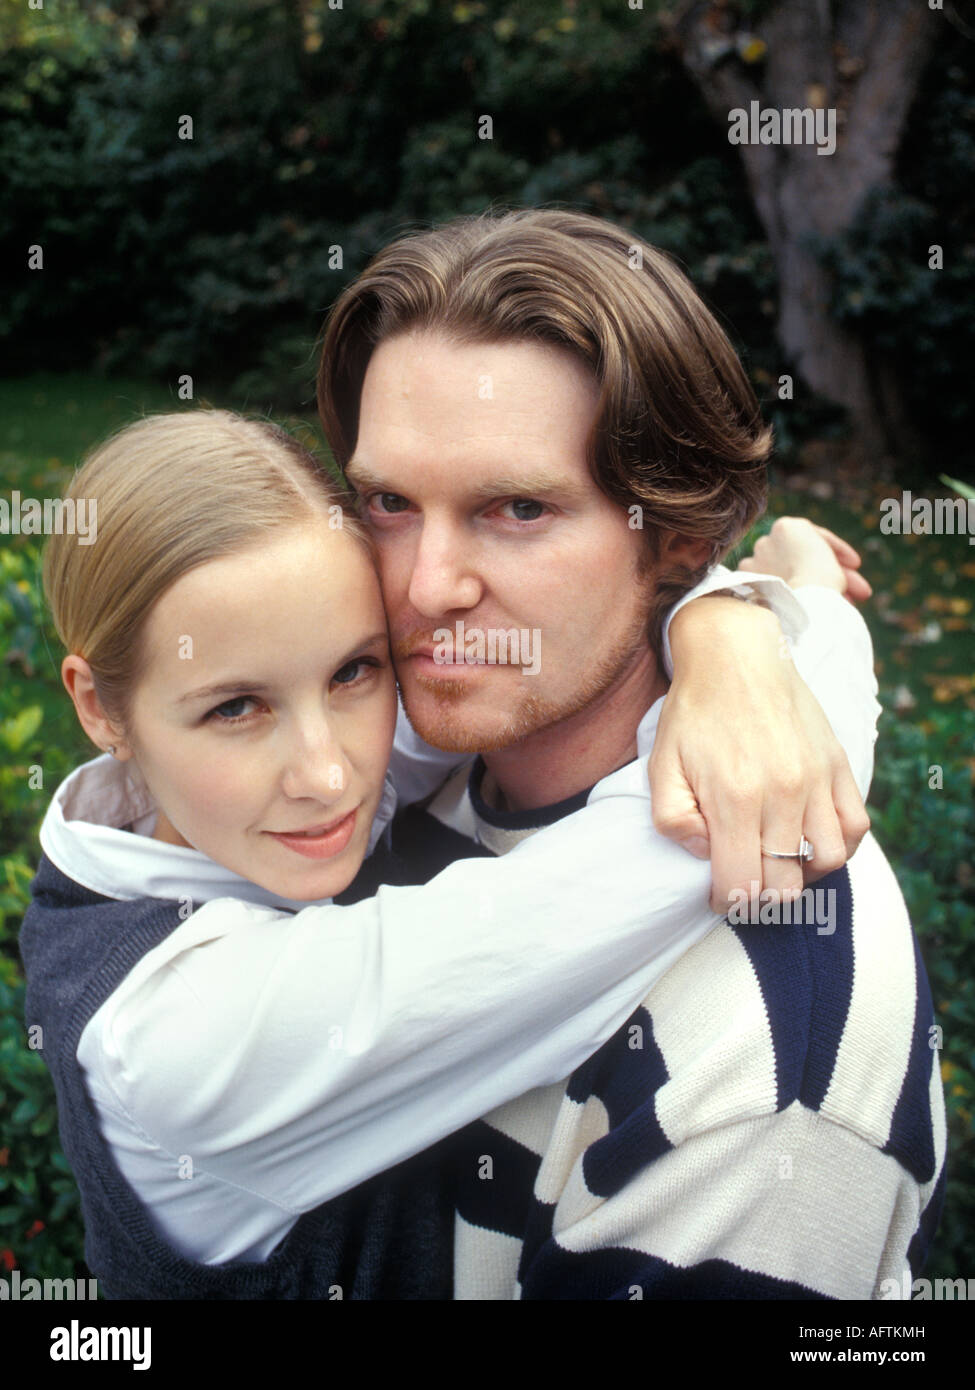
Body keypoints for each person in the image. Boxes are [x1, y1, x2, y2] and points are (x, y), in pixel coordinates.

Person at [22, 407, 866, 1299]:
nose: (328, 773)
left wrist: (718, 624)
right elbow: (747, 806)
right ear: (98, 707)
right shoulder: (184, 1036)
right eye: (236, 708)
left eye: (355, 670)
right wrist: (804, 608)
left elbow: (550, 654)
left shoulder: (203, 811)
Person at [315, 207, 946, 1298]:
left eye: (517, 507)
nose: (425, 587)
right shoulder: (379, 777)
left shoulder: (761, 1048)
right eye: (387, 502)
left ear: (683, 539)